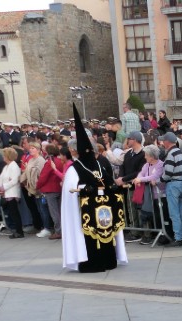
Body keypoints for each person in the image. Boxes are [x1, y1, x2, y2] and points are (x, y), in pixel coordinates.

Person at [60, 106, 128, 273]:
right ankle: (95, 260)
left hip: (100, 210)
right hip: (86, 211)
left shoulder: (94, 164)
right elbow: (70, 192)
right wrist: (86, 189)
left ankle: (106, 260)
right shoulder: (75, 168)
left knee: (104, 231)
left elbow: (108, 181)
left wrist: (110, 187)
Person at [158, 131, 182, 246]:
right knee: (181, 211)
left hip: (173, 184)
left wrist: (159, 181)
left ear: (167, 142)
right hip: (181, 183)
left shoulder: (171, 154)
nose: (162, 142)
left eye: (163, 140)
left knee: (174, 213)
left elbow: (168, 174)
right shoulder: (181, 152)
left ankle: (178, 237)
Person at [36, 144, 66, 240]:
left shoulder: (50, 162)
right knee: (59, 211)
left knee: (54, 212)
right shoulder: (60, 161)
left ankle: (58, 231)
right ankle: (62, 230)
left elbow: (43, 177)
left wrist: (38, 186)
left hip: (50, 189)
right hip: (59, 188)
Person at [0, 147, 24, 238]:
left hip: (12, 193)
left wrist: (3, 187)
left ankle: (19, 231)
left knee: (14, 213)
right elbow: (1, 178)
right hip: (6, 192)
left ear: (8, 156)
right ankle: (15, 230)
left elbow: (14, 180)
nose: (3, 157)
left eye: (4, 155)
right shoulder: (6, 166)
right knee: (11, 213)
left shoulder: (14, 166)